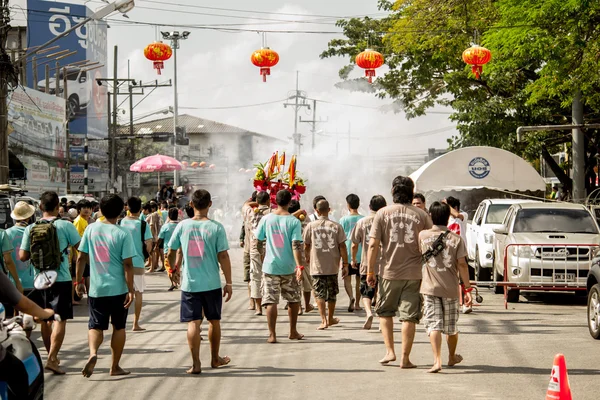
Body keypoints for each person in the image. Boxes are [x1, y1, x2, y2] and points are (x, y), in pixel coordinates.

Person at [367, 176, 432, 368]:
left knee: (385, 312)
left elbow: (373, 245)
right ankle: (405, 358)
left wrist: (370, 271)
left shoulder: (382, 213)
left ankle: (390, 352)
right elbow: (431, 241)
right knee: (409, 316)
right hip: (414, 273)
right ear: (411, 192)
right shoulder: (422, 215)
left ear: (393, 192)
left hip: (389, 272)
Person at [167, 189, 232, 374]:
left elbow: (171, 250)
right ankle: (215, 359)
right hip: (211, 283)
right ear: (210, 204)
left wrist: (172, 270)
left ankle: (195, 363)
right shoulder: (216, 227)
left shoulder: (183, 226)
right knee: (214, 320)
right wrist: (229, 282)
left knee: (193, 322)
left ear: (191, 205)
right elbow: (224, 256)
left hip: (190, 284)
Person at [19, 191, 81, 375]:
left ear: (39, 207)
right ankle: (52, 358)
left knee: (46, 319)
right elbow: (81, 249)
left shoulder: (31, 228)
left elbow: (22, 256)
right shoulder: (65, 225)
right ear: (58, 207)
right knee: (60, 318)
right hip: (61, 278)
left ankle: (51, 356)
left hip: (40, 279)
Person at [75, 194, 136, 378]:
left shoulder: (91, 229)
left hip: (97, 288)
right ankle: (114, 366)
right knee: (119, 327)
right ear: (120, 211)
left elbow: (80, 257)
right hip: (118, 289)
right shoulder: (122, 233)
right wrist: (131, 290)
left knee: (95, 326)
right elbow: (127, 264)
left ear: (100, 209)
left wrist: (78, 282)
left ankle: (93, 353)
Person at [419, 202, 472, 373]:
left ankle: (437, 360)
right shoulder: (456, 239)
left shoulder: (422, 235)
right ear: (448, 217)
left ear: (431, 217)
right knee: (451, 327)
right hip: (450, 289)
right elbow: (462, 265)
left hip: (429, 288)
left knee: (434, 325)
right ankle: (451, 356)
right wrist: (468, 288)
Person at [255, 190, 304, 343]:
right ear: (290, 202)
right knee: (293, 300)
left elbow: (258, 240)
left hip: (270, 266)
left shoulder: (266, 219)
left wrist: (263, 254)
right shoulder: (294, 222)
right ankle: (292, 331)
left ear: (275, 201)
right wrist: (299, 266)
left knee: (271, 301)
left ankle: (272, 334)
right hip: (289, 267)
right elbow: (296, 245)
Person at [303, 199, 348, 330]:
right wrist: (345, 264)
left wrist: (307, 257)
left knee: (319, 293)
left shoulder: (310, 226)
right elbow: (343, 247)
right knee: (332, 294)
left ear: (316, 211)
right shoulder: (336, 226)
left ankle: (324, 320)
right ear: (329, 210)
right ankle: (331, 317)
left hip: (316, 266)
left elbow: (306, 245)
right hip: (332, 266)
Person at [350, 195, 387, 330]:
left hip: (367, 262)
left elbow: (354, 244)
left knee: (366, 291)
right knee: (381, 291)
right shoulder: (387, 222)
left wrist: (353, 260)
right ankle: (381, 318)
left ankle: (368, 312)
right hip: (384, 264)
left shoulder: (362, 222)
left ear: (369, 207)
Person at [119, 197, 153, 332]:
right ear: (140, 209)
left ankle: (120, 322)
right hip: (137, 262)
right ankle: (135, 324)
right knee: (138, 293)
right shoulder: (143, 224)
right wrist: (146, 254)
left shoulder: (121, 222)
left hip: (121, 262)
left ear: (127, 207)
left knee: (122, 293)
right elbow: (149, 244)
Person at [444, 196, 471, 314]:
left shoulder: (463, 216)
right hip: (447, 252)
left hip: (461, 251)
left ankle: (467, 303)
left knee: (463, 279)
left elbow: (457, 215)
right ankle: (454, 303)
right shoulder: (445, 219)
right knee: (450, 279)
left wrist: (446, 205)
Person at [4, 203, 31, 317]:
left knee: (16, 312)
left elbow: (6, 260)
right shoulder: (32, 231)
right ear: (29, 216)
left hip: (12, 281)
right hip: (32, 280)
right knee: (30, 313)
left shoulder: (7, 233)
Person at [288, 199, 314, 314]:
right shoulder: (304, 219)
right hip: (304, 255)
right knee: (305, 282)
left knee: (298, 282)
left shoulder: (290, 220)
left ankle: (301, 306)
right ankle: (305, 305)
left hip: (293, 255)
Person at [339, 194, 363, 312]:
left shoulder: (343, 220)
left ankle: (351, 298)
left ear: (348, 205)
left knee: (347, 278)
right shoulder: (363, 219)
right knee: (359, 280)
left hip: (347, 254)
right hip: (360, 253)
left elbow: (340, 239)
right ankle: (358, 303)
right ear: (359, 204)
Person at [248, 191, 271, 315]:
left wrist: (255, 202)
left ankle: (258, 307)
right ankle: (268, 303)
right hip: (269, 246)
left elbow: (245, 205)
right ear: (268, 201)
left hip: (254, 246)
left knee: (255, 277)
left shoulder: (251, 212)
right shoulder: (272, 213)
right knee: (268, 276)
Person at [241, 192, 258, 311]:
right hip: (259, 250)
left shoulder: (248, 212)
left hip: (250, 249)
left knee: (251, 278)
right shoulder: (268, 213)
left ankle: (253, 303)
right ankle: (257, 304)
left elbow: (245, 204)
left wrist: (252, 200)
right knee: (255, 278)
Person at [73, 199, 93, 298]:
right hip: (81, 255)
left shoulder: (85, 221)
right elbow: (76, 241)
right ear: (79, 209)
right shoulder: (79, 222)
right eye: (84, 208)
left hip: (84, 254)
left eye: (88, 208)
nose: (86, 210)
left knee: (87, 275)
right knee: (86, 276)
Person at [158, 208, 180, 291]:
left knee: (169, 267)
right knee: (177, 266)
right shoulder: (180, 225)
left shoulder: (165, 226)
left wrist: (156, 246)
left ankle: (173, 283)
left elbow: (160, 238)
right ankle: (177, 280)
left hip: (168, 250)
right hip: (179, 251)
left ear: (168, 216)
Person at [146, 202, 164, 273]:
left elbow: (151, 226)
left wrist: (150, 236)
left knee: (152, 252)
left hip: (154, 236)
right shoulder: (159, 214)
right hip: (160, 234)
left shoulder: (153, 215)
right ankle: (158, 265)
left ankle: (152, 268)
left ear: (153, 208)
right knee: (159, 251)